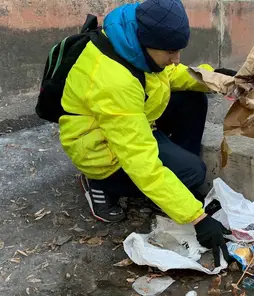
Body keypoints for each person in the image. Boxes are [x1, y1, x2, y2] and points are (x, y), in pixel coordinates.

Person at [59, 0, 236, 266]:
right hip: (100, 149)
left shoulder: (132, 42)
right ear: (145, 44)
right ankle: (98, 183)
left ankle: (173, 186)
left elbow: (170, 75)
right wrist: (196, 218)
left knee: (193, 98)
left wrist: (216, 79)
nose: (176, 59)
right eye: (170, 52)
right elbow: (142, 163)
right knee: (192, 172)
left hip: (132, 122)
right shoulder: (113, 80)